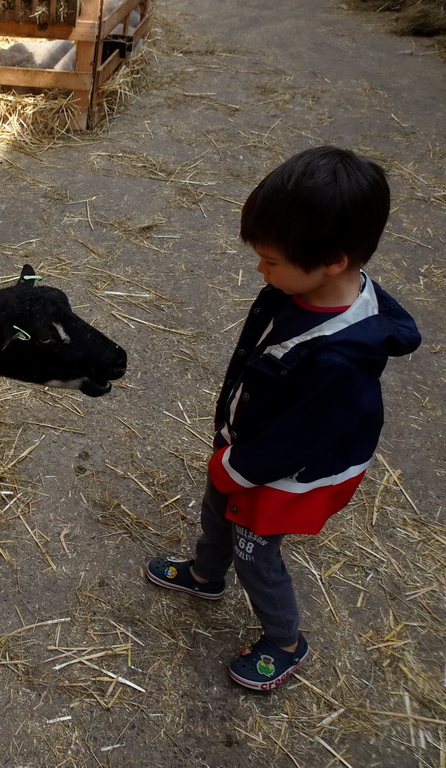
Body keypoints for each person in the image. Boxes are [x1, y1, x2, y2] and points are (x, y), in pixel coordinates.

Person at [145, 146, 421, 691]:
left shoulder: (340, 360)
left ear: (335, 261)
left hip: (281, 473)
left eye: (270, 260)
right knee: (215, 509)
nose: (259, 269)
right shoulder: (302, 288)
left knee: (256, 552)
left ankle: (285, 641)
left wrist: (241, 467)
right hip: (246, 450)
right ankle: (204, 575)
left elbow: (306, 434)